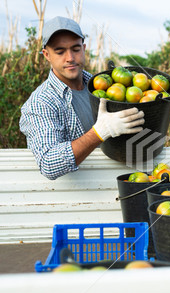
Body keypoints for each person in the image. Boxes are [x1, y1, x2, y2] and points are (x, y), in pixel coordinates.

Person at [20, 16, 145, 180]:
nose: (70, 58)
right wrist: (99, 133)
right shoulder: (41, 103)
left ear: (84, 48)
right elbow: (48, 163)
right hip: (81, 192)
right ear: (46, 55)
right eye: (60, 51)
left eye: (76, 49)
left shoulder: (103, 85)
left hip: (124, 178)